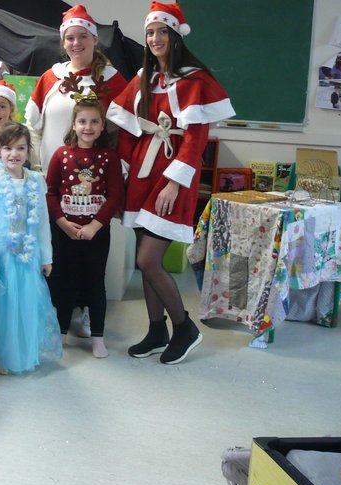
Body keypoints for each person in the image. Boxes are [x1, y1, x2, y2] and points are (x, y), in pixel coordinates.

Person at [106, 2, 235, 364]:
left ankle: (184, 328)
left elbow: (194, 139)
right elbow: (129, 133)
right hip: (142, 178)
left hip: (171, 180)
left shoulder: (194, 79)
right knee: (144, 261)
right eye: (150, 33)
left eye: (162, 31)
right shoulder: (144, 79)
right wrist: (125, 174)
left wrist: (174, 184)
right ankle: (156, 329)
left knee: (149, 260)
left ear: (176, 36)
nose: (155, 38)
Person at [0, 122, 60, 374]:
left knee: (28, 302)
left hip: (29, 255)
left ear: (28, 151)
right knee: (5, 305)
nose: (14, 154)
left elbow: (43, 221)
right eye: (8, 148)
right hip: (1, 254)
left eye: (21, 148)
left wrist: (47, 256)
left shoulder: (35, 181)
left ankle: (26, 353)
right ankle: (3, 356)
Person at [45, 99, 123, 358]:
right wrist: (62, 222)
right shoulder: (61, 154)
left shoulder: (109, 157)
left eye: (94, 121)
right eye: (82, 121)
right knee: (64, 281)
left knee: (94, 283)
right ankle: (62, 332)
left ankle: (98, 336)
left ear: (102, 127)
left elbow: (114, 196)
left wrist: (94, 226)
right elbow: (51, 192)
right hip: (64, 231)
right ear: (74, 125)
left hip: (96, 234)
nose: (87, 127)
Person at [25, 5, 127, 173]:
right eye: (70, 38)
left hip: (95, 178)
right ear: (63, 43)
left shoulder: (112, 80)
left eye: (83, 36)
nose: (76, 43)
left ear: (95, 39)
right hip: (51, 176)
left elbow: (122, 133)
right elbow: (33, 128)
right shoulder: (51, 77)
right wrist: (38, 168)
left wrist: (116, 171)